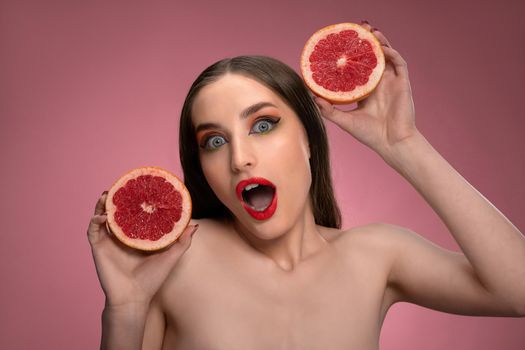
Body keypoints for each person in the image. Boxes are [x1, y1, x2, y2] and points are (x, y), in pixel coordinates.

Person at [87, 21, 525, 350]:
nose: (239, 159)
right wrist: (125, 310)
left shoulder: (376, 256)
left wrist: (403, 143)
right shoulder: (173, 262)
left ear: (308, 138)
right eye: (215, 141)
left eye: (263, 125)